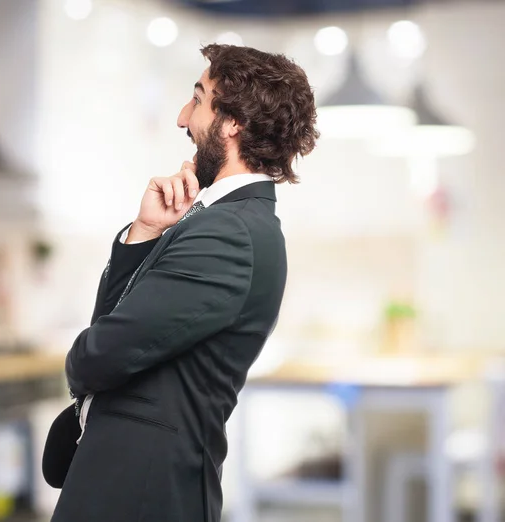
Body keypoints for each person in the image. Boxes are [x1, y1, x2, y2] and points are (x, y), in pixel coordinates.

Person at [45, 43, 319, 522]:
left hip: (141, 495)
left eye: (197, 99)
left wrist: (79, 358)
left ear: (234, 122)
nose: (181, 118)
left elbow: (101, 353)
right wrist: (145, 232)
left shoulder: (229, 232)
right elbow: (116, 331)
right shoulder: (219, 222)